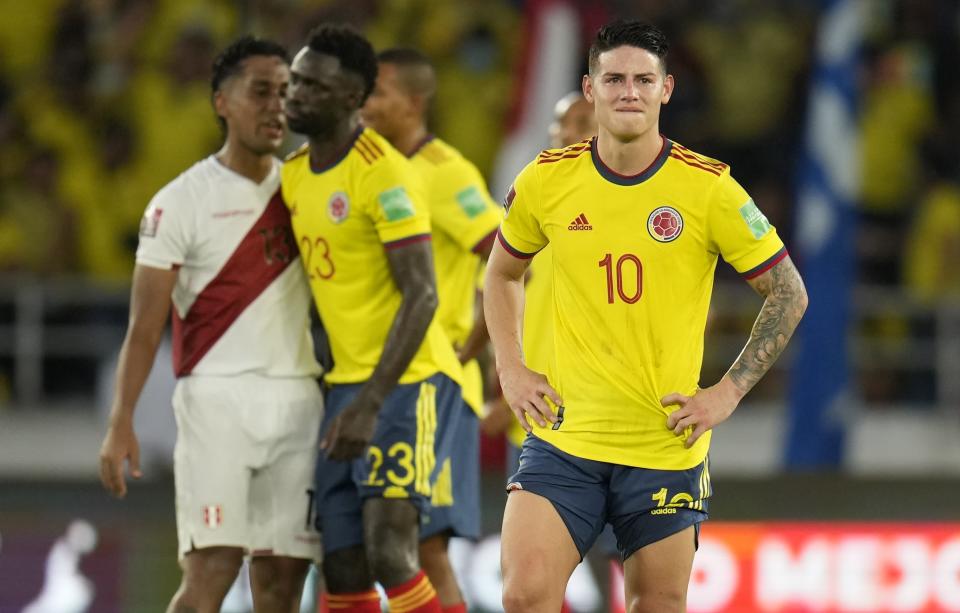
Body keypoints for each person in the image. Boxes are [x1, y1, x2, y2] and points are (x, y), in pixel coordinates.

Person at [484, 20, 808, 613]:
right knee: (523, 595)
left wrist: (727, 395)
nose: (628, 91)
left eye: (642, 79)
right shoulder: (546, 180)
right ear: (589, 88)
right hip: (564, 438)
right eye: (613, 78)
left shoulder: (710, 189)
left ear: (667, 89)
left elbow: (788, 293)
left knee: (656, 604)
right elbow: (500, 273)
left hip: (664, 446)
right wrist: (512, 369)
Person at [97, 36, 324, 613]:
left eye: (284, 92)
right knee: (211, 572)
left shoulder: (310, 188)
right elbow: (144, 326)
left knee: (281, 583)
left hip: (298, 400)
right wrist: (121, 420)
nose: (276, 105)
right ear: (221, 101)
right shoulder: (178, 202)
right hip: (215, 404)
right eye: (260, 92)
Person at [281, 24, 463, 613]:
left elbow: (423, 295)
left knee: (391, 551)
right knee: (342, 565)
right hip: (344, 387)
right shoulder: (293, 174)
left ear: (353, 99)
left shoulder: (383, 173)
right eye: (296, 78)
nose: (295, 92)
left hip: (405, 382)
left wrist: (370, 400)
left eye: (314, 85)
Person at [360, 47, 503, 613]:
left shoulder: (445, 173)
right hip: (387, 378)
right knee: (388, 542)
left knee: (426, 548)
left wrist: (473, 345)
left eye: (380, 94)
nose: (366, 105)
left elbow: (511, 258)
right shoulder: (372, 166)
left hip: (436, 386)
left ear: (415, 101)